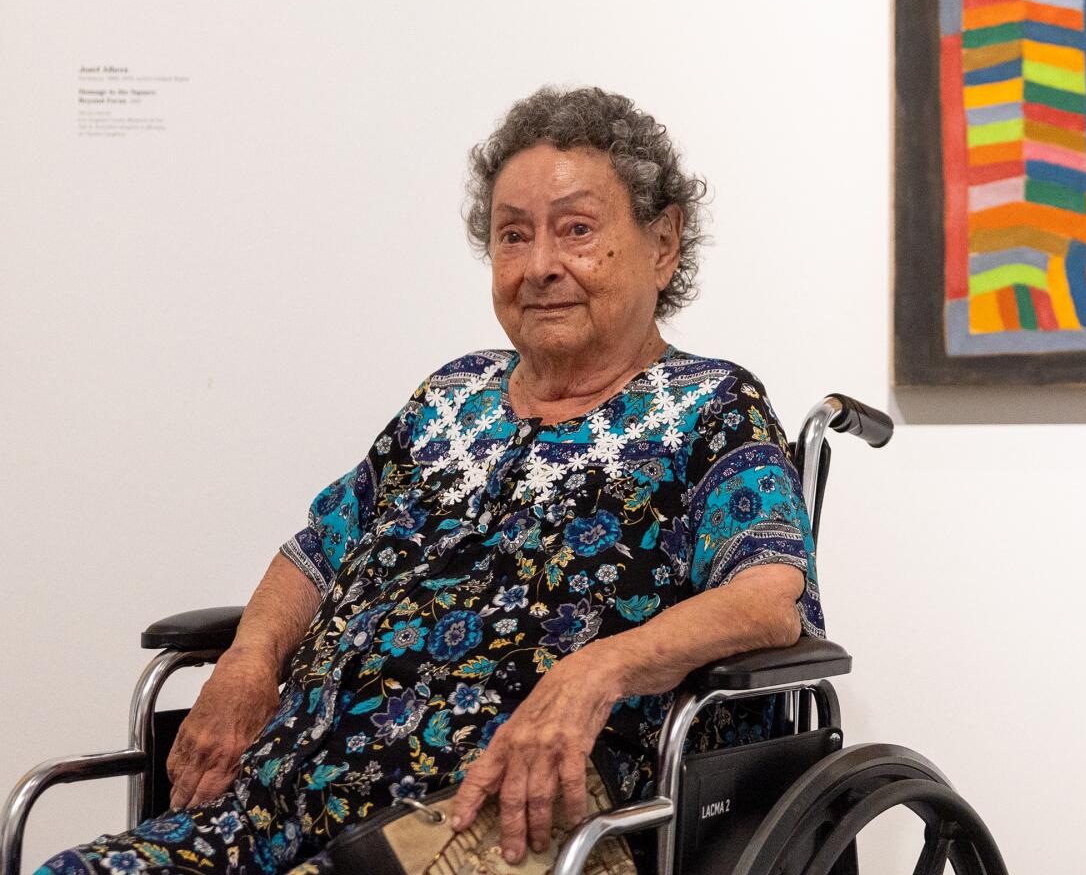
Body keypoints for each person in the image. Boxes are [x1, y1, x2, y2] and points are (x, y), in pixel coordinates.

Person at [36, 87, 822, 875]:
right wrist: (247, 663)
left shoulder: (708, 407)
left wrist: (594, 670)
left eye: (577, 230)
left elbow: (765, 599)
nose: (541, 265)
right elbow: (314, 552)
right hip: (270, 804)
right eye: (514, 236)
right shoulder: (450, 399)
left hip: (495, 820)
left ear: (663, 244)